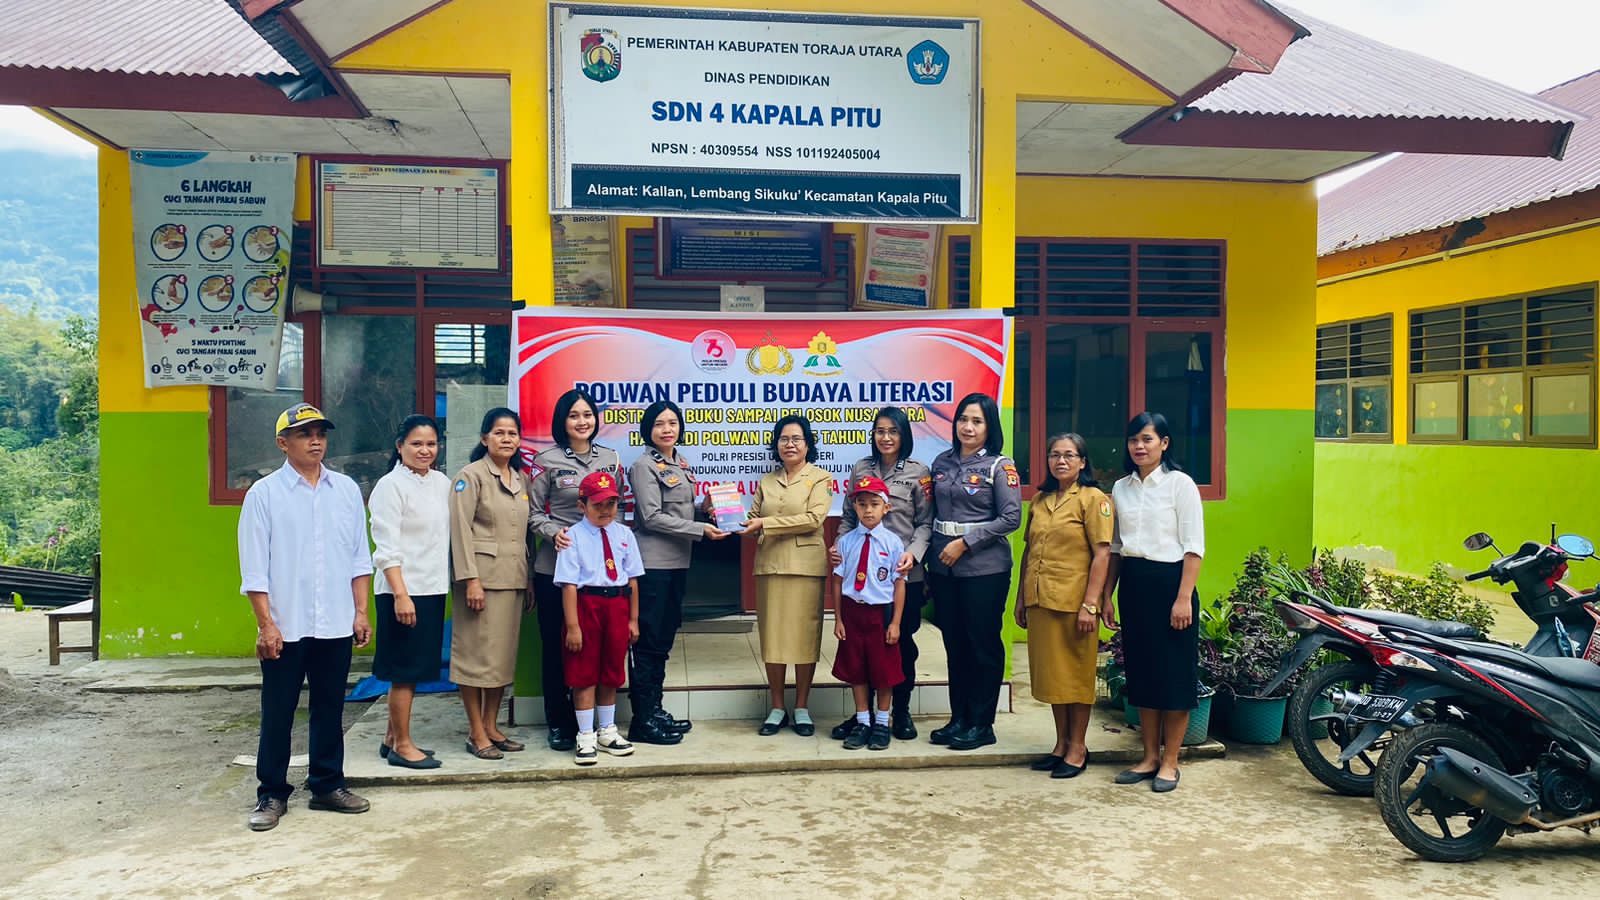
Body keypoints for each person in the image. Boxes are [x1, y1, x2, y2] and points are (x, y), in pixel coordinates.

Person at [238, 402, 374, 832]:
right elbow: (254, 568)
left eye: (320, 433)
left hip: (334, 620)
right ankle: (272, 793)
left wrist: (360, 611)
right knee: (278, 710)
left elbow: (358, 557)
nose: (315, 440)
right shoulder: (264, 495)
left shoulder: (346, 490)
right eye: (304, 434)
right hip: (287, 624)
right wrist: (266, 624)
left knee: (330, 707)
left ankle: (327, 785)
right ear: (283, 443)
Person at [1105, 411, 1205, 794]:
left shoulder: (1181, 485)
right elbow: (1115, 547)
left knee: (1174, 676)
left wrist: (1183, 599)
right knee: (1143, 675)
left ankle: (1171, 761)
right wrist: (1108, 596)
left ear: (1164, 443)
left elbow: (1194, 547)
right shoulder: (1120, 488)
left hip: (1171, 584)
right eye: (1134, 440)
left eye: (1147, 439)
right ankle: (1148, 757)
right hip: (1133, 584)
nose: (1139, 446)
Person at [627, 400, 729, 745]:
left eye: (672, 422)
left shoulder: (678, 463)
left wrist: (705, 508)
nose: (667, 429)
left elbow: (681, 507)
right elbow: (652, 517)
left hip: (677, 563)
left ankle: (654, 710)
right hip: (653, 565)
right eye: (659, 424)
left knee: (663, 641)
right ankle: (641, 720)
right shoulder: (644, 466)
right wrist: (700, 529)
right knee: (648, 643)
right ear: (648, 430)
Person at [828, 406, 932, 742]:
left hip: (901, 575)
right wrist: (841, 546)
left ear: (904, 435)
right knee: (861, 646)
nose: (885, 437)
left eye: (893, 431)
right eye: (880, 431)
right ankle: (864, 717)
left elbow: (925, 524)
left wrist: (912, 555)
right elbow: (846, 516)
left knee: (899, 643)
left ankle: (898, 712)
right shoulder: (862, 469)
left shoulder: (918, 472)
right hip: (862, 576)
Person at [528, 388, 623, 752]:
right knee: (557, 646)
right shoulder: (545, 459)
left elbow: (618, 512)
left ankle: (602, 724)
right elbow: (534, 513)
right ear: (562, 421)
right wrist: (556, 534)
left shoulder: (611, 459)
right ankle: (560, 722)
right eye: (573, 415)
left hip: (600, 575)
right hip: (557, 567)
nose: (582, 421)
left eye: (587, 414)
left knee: (598, 648)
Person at [926, 392, 1022, 751]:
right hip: (944, 568)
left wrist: (966, 543)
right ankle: (959, 718)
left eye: (977, 421)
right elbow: (932, 514)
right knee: (955, 644)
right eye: (963, 419)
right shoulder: (942, 462)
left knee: (982, 645)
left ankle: (982, 723)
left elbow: (1011, 518)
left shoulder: (1000, 466)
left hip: (984, 569)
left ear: (989, 427)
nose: (968, 427)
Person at [1015, 433, 1114, 779]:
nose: (1061, 461)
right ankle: (1060, 744)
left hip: (1074, 603)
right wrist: (1020, 598)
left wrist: (1092, 604)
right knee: (1053, 676)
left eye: (1069, 456)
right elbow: (1029, 551)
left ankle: (1078, 747)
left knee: (1076, 676)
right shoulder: (1041, 499)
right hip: (1040, 598)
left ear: (1082, 462)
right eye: (1055, 455)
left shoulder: (1093, 499)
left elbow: (1103, 553)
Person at [448, 407, 532, 761]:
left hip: (512, 579)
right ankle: (475, 731)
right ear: (485, 438)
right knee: (474, 658)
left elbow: (523, 533)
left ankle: (492, 725)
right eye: (499, 433)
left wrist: (528, 581)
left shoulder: (520, 479)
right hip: (480, 581)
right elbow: (460, 531)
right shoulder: (470, 476)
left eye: (512, 433)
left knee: (500, 658)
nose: (507, 439)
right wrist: (470, 580)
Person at [369, 414, 450, 770]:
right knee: (403, 670)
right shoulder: (390, 486)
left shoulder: (441, 483)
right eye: (416, 443)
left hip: (432, 588)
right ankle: (403, 744)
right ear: (399, 446)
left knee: (414, 670)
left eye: (430, 443)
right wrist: (401, 594)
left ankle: (391, 737)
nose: (424, 450)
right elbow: (386, 546)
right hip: (402, 591)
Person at [744, 414, 833, 737]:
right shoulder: (767, 481)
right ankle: (778, 706)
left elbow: (812, 519)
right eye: (784, 439)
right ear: (776, 445)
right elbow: (752, 521)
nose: (790, 444)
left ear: (808, 444)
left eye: (796, 439)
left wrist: (764, 525)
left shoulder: (820, 478)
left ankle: (803, 707)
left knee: (805, 639)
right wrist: (726, 517)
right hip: (770, 566)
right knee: (773, 639)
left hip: (805, 568)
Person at [554, 471, 643, 765]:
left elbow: (632, 581)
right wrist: (572, 626)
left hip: (617, 605)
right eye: (598, 505)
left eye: (611, 504)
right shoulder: (572, 537)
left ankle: (607, 730)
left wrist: (633, 619)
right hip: (587, 604)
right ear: (582, 506)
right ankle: (585, 735)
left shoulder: (624, 534)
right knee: (584, 672)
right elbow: (568, 584)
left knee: (611, 670)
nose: (605, 511)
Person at [829, 476, 907, 751]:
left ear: (887, 508)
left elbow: (899, 584)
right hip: (852, 613)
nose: (868, 510)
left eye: (875, 504)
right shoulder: (846, 543)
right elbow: (837, 582)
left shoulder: (894, 543)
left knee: (883, 670)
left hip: (880, 614)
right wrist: (838, 618)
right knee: (857, 669)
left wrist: (895, 622)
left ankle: (882, 722)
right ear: (854, 508)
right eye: (862, 504)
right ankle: (863, 720)